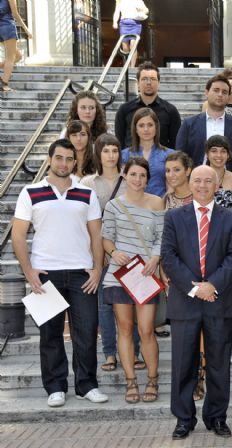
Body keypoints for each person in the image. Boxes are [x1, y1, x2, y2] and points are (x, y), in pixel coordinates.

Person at [11, 139, 108, 407]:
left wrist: (98, 268)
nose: (64, 163)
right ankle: (55, 387)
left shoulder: (85, 193)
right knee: (50, 334)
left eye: (68, 159)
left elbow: (96, 233)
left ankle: (86, 385)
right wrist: (29, 271)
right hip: (45, 275)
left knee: (86, 332)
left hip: (81, 273)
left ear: (74, 162)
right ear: (50, 159)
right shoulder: (30, 192)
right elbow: (18, 235)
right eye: (59, 158)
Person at [161, 165, 232, 439]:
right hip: (185, 302)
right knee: (183, 364)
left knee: (219, 364)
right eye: (198, 180)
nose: (203, 185)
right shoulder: (173, 217)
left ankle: (217, 417)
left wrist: (212, 285)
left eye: (209, 180)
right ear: (189, 183)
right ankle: (184, 419)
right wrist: (195, 289)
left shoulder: (230, 218)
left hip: (219, 301)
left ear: (217, 185)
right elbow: (169, 257)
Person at [101, 157, 164, 405]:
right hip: (120, 275)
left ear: (148, 179)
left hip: (146, 274)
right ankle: (131, 382)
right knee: (124, 329)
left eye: (143, 175)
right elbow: (106, 238)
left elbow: (162, 237)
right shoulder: (113, 206)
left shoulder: (157, 203)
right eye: (133, 174)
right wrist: (114, 252)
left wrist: (156, 259)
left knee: (146, 329)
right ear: (124, 176)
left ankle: (152, 378)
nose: (138, 180)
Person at [81, 133, 146, 372]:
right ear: (98, 153)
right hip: (99, 251)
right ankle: (109, 353)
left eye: (115, 151)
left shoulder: (129, 179)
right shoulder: (87, 183)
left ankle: (135, 352)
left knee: (133, 304)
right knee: (105, 306)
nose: (111, 155)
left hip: (128, 252)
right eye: (106, 150)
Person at [176, 74, 232, 174]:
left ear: (228, 97)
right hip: (196, 182)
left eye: (224, 92)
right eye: (216, 90)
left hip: (230, 183)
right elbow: (180, 156)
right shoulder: (189, 124)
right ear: (206, 92)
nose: (220, 94)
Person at [115, 61, 182, 149]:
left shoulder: (171, 111)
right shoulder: (124, 110)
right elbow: (119, 142)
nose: (149, 83)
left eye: (153, 79)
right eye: (144, 79)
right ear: (138, 83)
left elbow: (175, 144)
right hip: (131, 160)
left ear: (159, 83)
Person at [121, 107, 175, 197]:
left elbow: (172, 187)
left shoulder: (170, 155)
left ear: (156, 127)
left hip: (160, 206)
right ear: (136, 129)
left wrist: (160, 204)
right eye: (141, 125)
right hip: (131, 208)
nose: (146, 129)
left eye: (150, 125)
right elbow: (122, 187)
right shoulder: (124, 155)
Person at [0, 0, 31, 92]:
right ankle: (4, 84)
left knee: (18, 56)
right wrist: (26, 29)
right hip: (7, 26)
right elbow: (15, 13)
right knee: (11, 57)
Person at [112, 0, 148, 67]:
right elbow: (117, 11)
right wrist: (115, 22)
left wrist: (141, 9)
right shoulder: (119, 1)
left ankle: (132, 66)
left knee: (133, 45)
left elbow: (146, 10)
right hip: (124, 23)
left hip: (135, 23)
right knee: (125, 47)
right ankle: (127, 66)